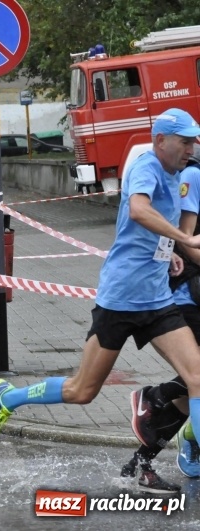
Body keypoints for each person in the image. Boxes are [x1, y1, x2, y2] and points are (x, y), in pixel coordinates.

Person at [0, 109, 200, 459]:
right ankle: (7, 397)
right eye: (185, 141)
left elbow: (140, 227)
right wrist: (181, 238)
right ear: (160, 140)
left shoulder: (177, 173)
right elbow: (139, 210)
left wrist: (168, 250)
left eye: (194, 140)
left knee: (197, 377)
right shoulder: (146, 166)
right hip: (121, 299)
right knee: (83, 391)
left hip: (156, 301)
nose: (192, 147)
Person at [120, 150, 200, 493]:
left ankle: (140, 464)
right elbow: (187, 241)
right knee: (196, 377)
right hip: (188, 295)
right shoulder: (194, 177)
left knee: (195, 382)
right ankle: (155, 397)